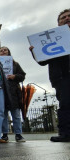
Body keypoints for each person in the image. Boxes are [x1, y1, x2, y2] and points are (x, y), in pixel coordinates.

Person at [29, 9, 70, 142]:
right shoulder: (51, 40)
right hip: (61, 77)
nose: (67, 18)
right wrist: (35, 52)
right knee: (65, 104)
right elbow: (43, 61)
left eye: (69, 16)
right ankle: (65, 133)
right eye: (63, 17)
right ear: (59, 23)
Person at [0, 46, 26, 142]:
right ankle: (4, 134)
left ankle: (18, 134)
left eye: (5, 50)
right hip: (2, 90)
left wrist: (14, 76)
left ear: (9, 52)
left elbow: (22, 76)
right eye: (1, 50)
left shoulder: (15, 64)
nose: (3, 51)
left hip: (14, 92)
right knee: (3, 114)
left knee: (16, 115)